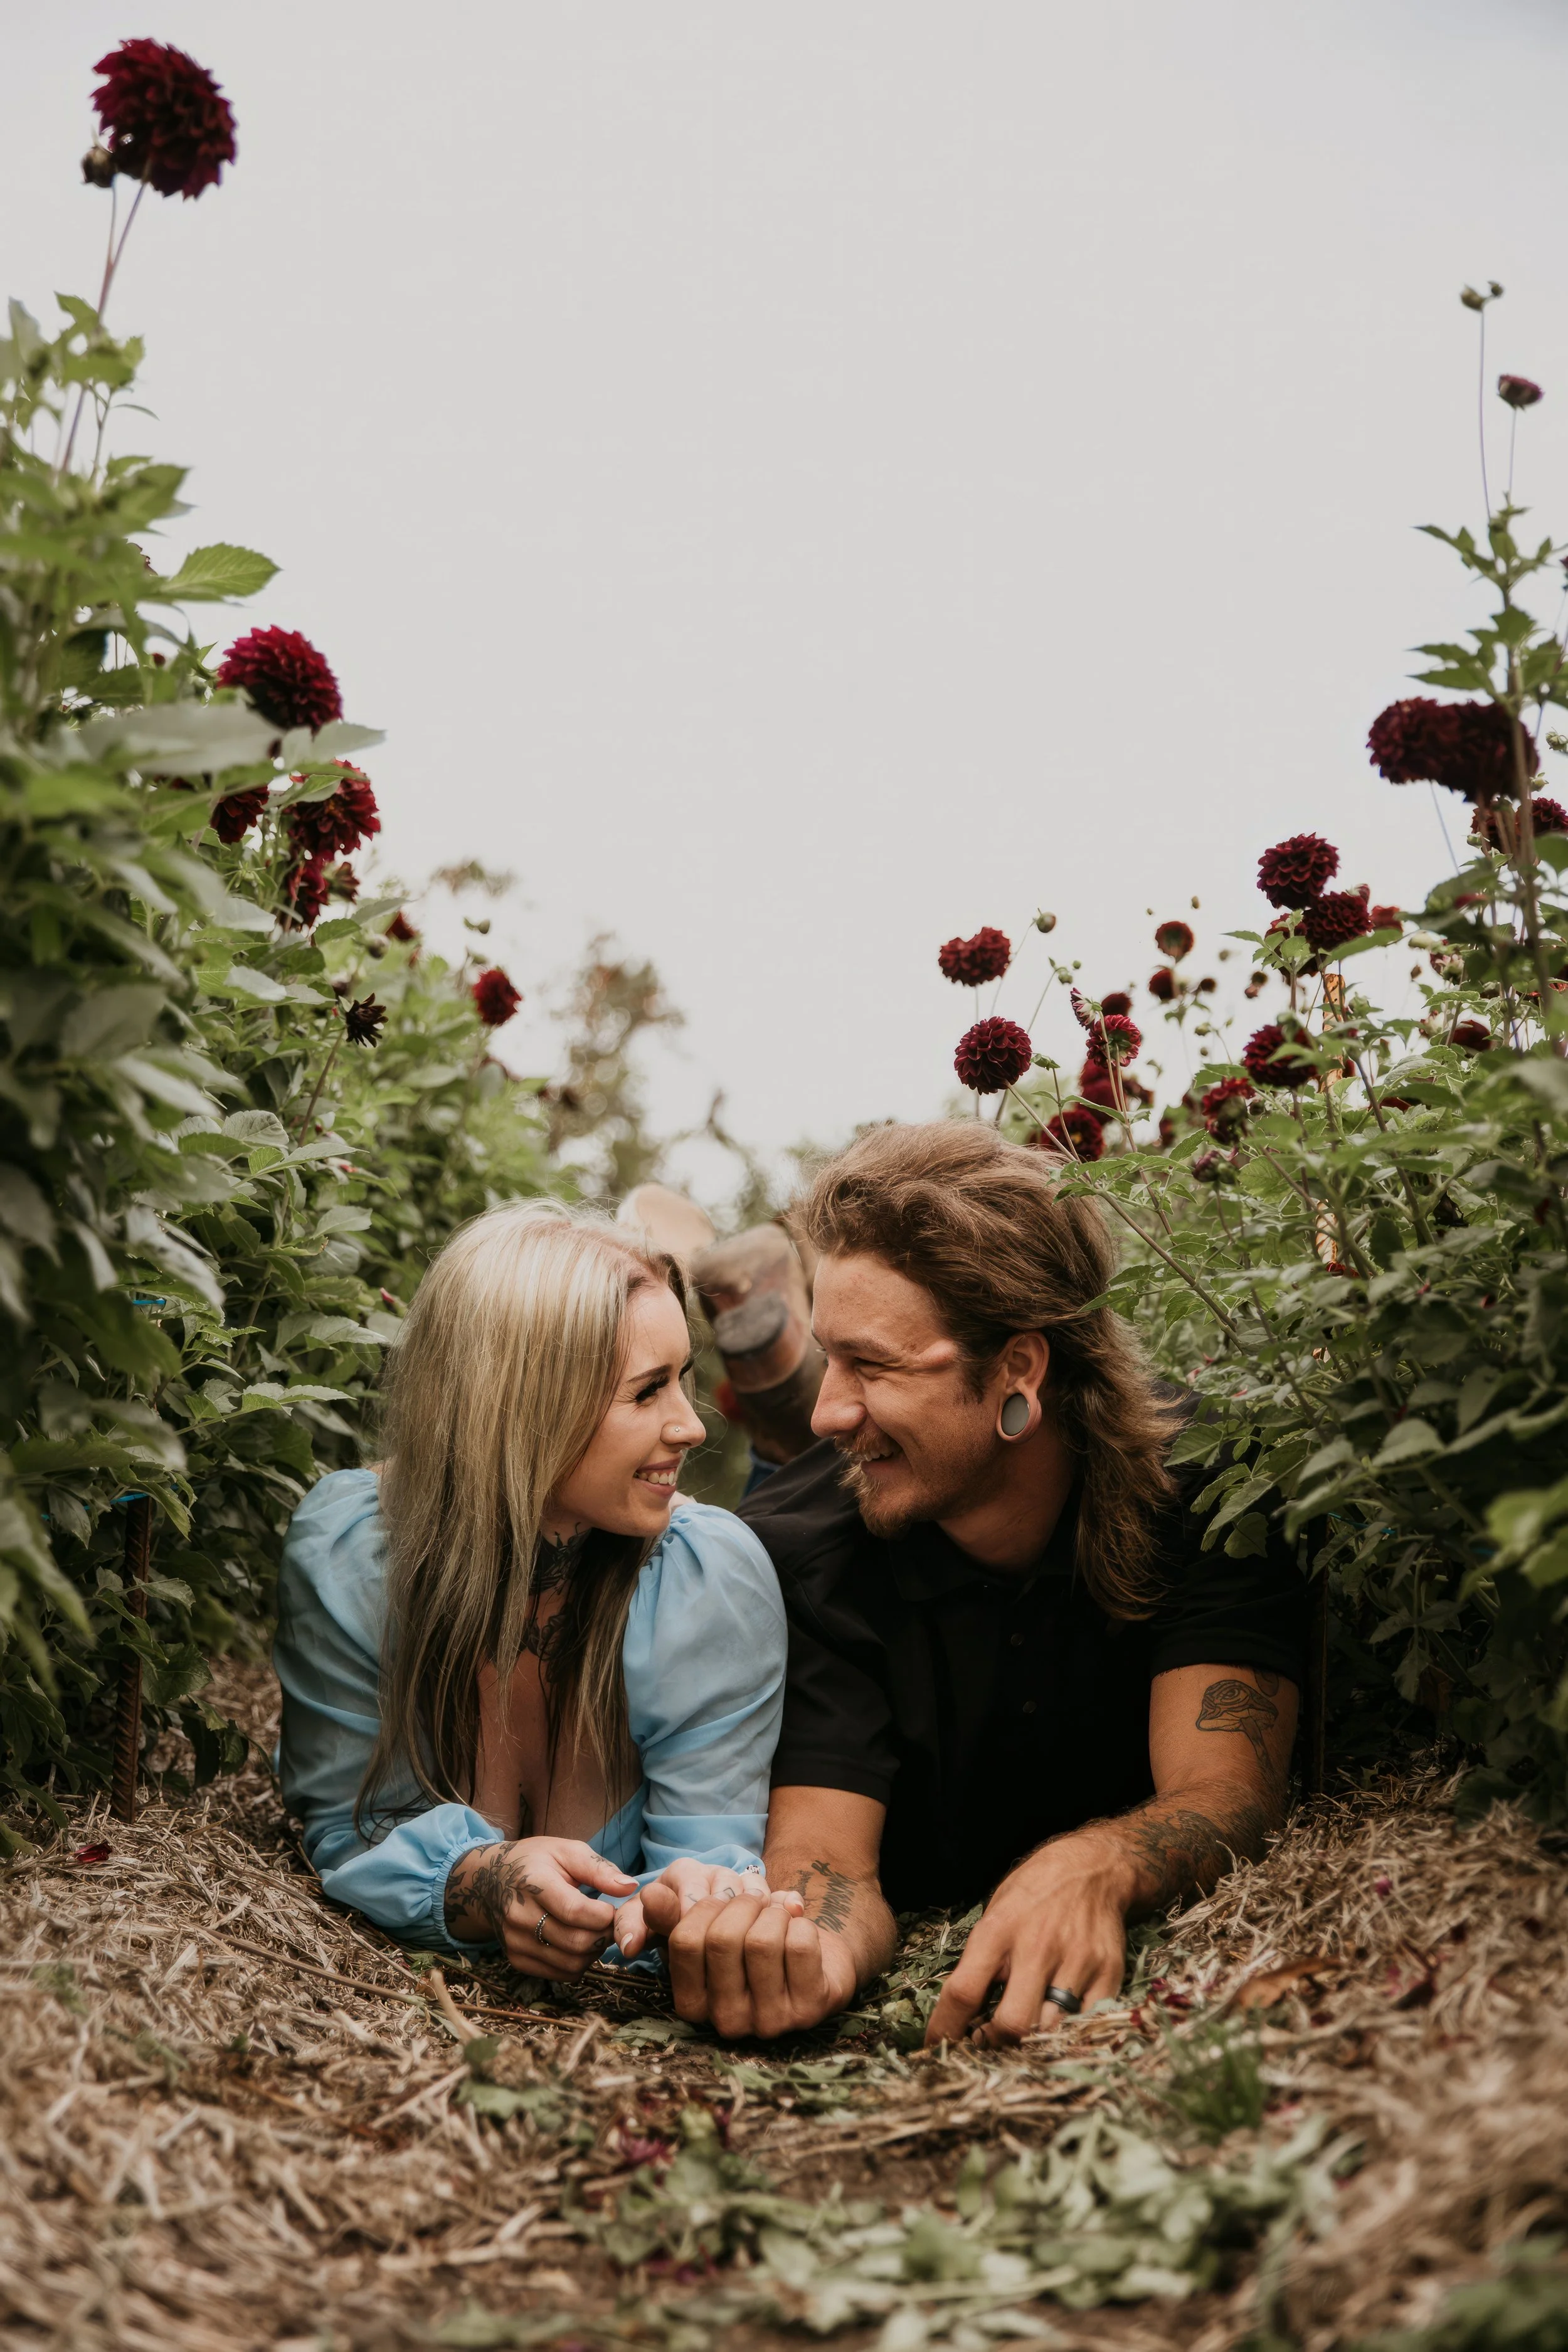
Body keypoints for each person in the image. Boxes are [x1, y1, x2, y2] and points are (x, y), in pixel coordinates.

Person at [639, 1121, 1306, 2043]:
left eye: (870, 1362)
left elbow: (1228, 1791)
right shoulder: (796, 1555)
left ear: (1018, 1369)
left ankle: (769, 1353)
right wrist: (807, 1946)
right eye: (834, 1359)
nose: (836, 1405)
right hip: (820, 1509)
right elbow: (829, 1862)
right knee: (793, 1467)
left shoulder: (1212, 1489)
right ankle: (766, 1364)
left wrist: (1098, 1862)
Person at [274, 1201, 787, 1976]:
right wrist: (484, 1884)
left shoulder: (706, 1579)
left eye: (683, 1380)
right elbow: (351, 1829)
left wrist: (692, 1906)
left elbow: (709, 1858)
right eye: (648, 1392)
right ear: (524, 1406)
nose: (692, 1426)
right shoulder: (355, 1557)